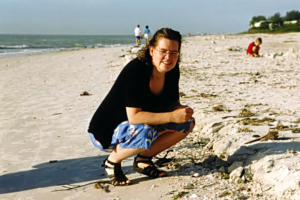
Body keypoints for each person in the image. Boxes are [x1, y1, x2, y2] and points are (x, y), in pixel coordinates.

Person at [88, 28, 195, 186]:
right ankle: (112, 162)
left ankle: (143, 160)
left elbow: (172, 103)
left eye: (174, 52)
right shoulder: (136, 70)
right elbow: (135, 117)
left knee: (187, 123)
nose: (168, 57)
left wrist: (181, 110)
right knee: (146, 130)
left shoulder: (172, 70)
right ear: (152, 50)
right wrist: (172, 116)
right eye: (163, 51)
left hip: (137, 125)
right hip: (106, 131)